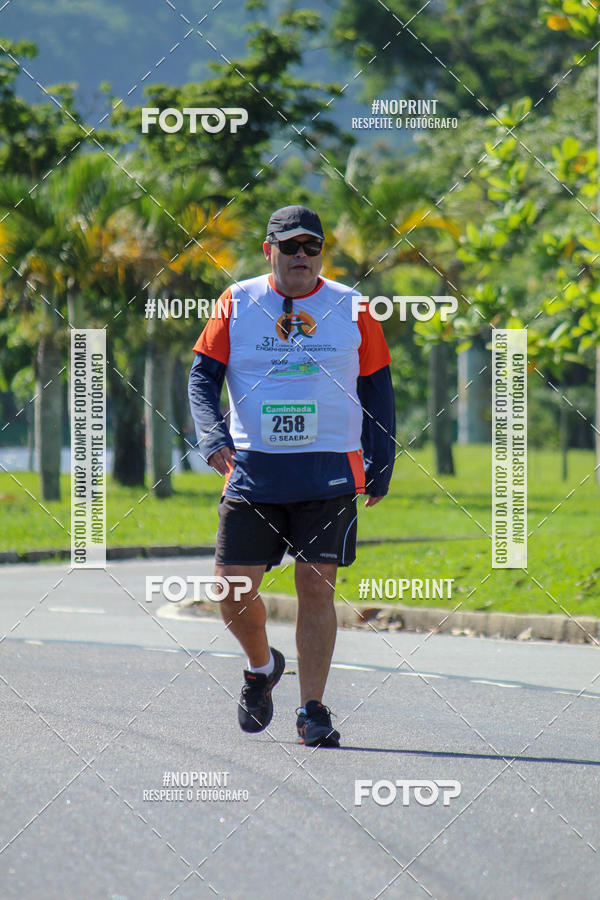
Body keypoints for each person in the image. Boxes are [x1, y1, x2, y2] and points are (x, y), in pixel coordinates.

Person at [188, 205, 395, 747]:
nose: (302, 255)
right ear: (269, 251)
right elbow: (202, 378)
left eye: (312, 246)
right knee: (231, 590)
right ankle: (261, 667)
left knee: (316, 587)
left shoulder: (353, 306)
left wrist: (382, 460)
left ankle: (312, 710)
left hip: (329, 469)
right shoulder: (237, 301)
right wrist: (212, 437)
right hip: (253, 469)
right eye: (290, 246)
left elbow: (377, 386)